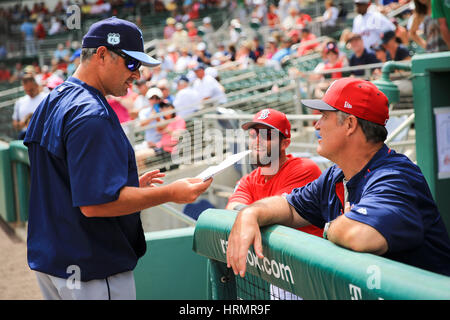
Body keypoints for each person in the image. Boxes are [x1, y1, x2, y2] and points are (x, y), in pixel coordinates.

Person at [23, 17, 212, 300]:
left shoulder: (53, 99)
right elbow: (95, 205)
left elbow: (65, 177)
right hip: (91, 269)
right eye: (132, 63)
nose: (137, 74)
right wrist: (170, 192)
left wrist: (129, 184)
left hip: (53, 263)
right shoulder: (91, 113)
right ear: (102, 55)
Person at [226, 77, 450, 278]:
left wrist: (329, 226)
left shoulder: (396, 175)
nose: (316, 125)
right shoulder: (336, 174)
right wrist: (251, 212)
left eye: (324, 116)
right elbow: (290, 206)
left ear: (350, 124)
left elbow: (360, 234)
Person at [226, 108, 323, 238]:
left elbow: (277, 215)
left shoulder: (303, 169)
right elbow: (231, 210)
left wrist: (248, 214)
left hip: (305, 253)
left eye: (267, 135)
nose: (258, 141)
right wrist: (252, 214)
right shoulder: (248, 180)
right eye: (253, 134)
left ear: (284, 143)